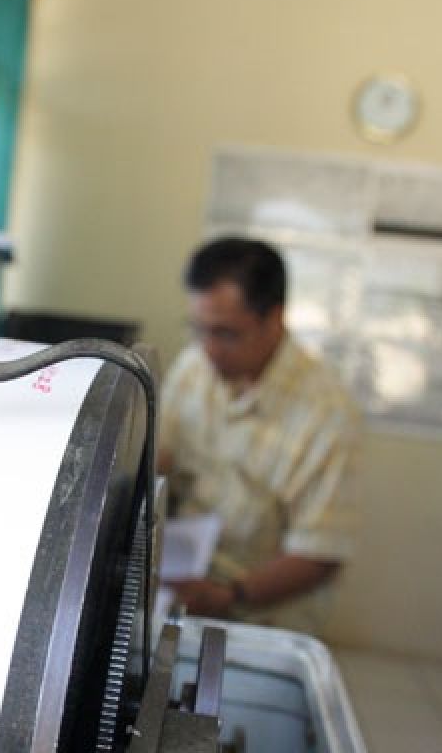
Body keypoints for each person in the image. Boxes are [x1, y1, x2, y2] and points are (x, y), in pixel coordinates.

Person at [157, 236, 359, 633]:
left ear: (275, 318)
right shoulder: (195, 366)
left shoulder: (327, 414)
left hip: (257, 613)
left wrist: (229, 597)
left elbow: (320, 554)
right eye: (199, 329)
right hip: (178, 580)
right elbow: (162, 455)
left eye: (227, 334)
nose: (210, 349)